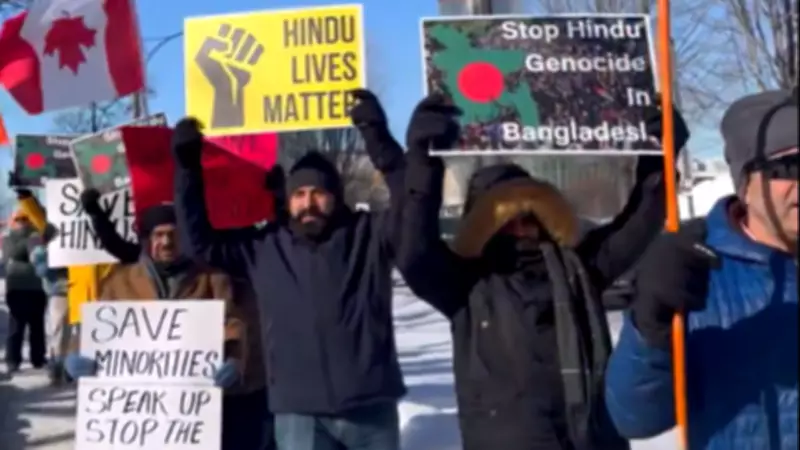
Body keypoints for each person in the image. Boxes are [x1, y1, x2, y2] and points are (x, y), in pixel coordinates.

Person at [395, 95, 688, 450]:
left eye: (528, 217)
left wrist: (660, 155)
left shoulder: (579, 268)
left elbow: (639, 223)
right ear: (482, 226)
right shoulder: (464, 283)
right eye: (503, 221)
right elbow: (414, 252)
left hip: (591, 440)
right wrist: (422, 163)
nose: (519, 229)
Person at [172, 89, 406, 450]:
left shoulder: (370, 235)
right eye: (299, 194)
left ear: (336, 195)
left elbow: (414, 207)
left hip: (370, 410)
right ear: (288, 199)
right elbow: (198, 243)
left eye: (318, 192)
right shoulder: (265, 247)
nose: (308, 202)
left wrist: (377, 135)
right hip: (299, 416)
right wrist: (188, 168)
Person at [605, 88, 798, 449]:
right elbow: (635, 417)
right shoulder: (697, 270)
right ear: (745, 185)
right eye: (788, 167)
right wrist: (652, 323)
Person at [78, 187, 278, 450]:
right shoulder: (119, 281)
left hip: (194, 410)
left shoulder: (212, 278)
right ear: (147, 240)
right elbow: (98, 329)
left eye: (175, 234)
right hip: (140, 412)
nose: (168, 242)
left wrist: (235, 360)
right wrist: (78, 355)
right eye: (159, 235)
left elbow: (233, 324)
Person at [2, 206, 47, 372]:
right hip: (17, 289)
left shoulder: (38, 236)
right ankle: (13, 360)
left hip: (37, 287)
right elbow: (14, 254)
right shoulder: (9, 238)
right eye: (19, 219)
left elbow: (39, 255)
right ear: (12, 221)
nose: (22, 223)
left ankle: (38, 358)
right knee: (16, 327)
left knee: (37, 326)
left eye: (25, 219)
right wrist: (31, 237)